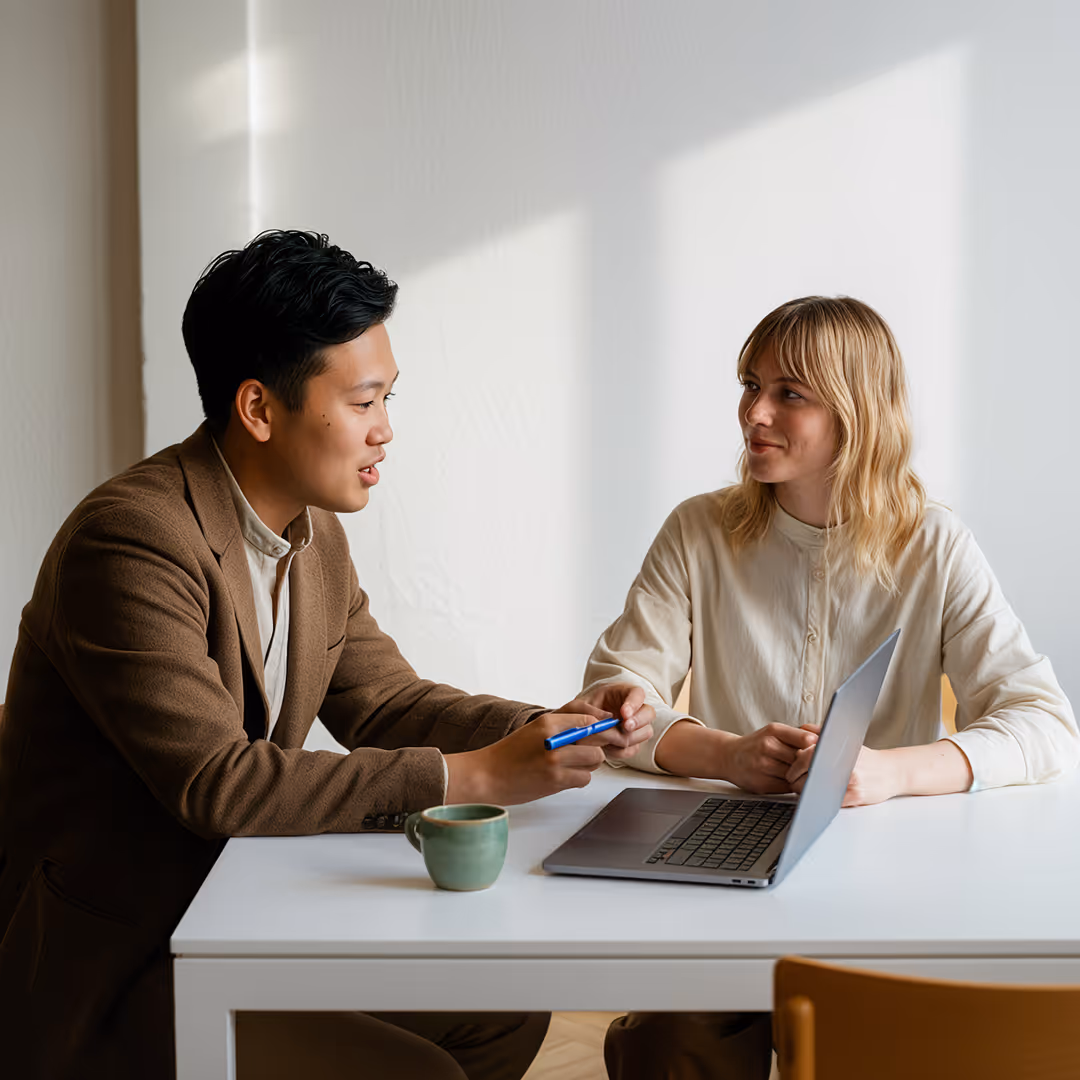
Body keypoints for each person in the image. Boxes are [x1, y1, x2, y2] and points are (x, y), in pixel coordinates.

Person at [0, 229, 654, 1080]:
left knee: (503, 1007)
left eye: (387, 399)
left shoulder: (313, 536)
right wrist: (481, 776)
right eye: (364, 402)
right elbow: (218, 782)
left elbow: (386, 702)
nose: (386, 431)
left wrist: (552, 726)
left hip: (241, 909)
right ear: (259, 409)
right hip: (121, 963)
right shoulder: (132, 540)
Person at [578, 295, 1079, 1080]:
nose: (754, 412)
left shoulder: (935, 544)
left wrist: (886, 772)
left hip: (886, 878)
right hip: (719, 876)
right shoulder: (698, 530)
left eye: (789, 393)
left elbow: (1046, 725)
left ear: (856, 410)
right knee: (677, 1049)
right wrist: (726, 755)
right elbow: (615, 698)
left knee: (881, 1044)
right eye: (751, 385)